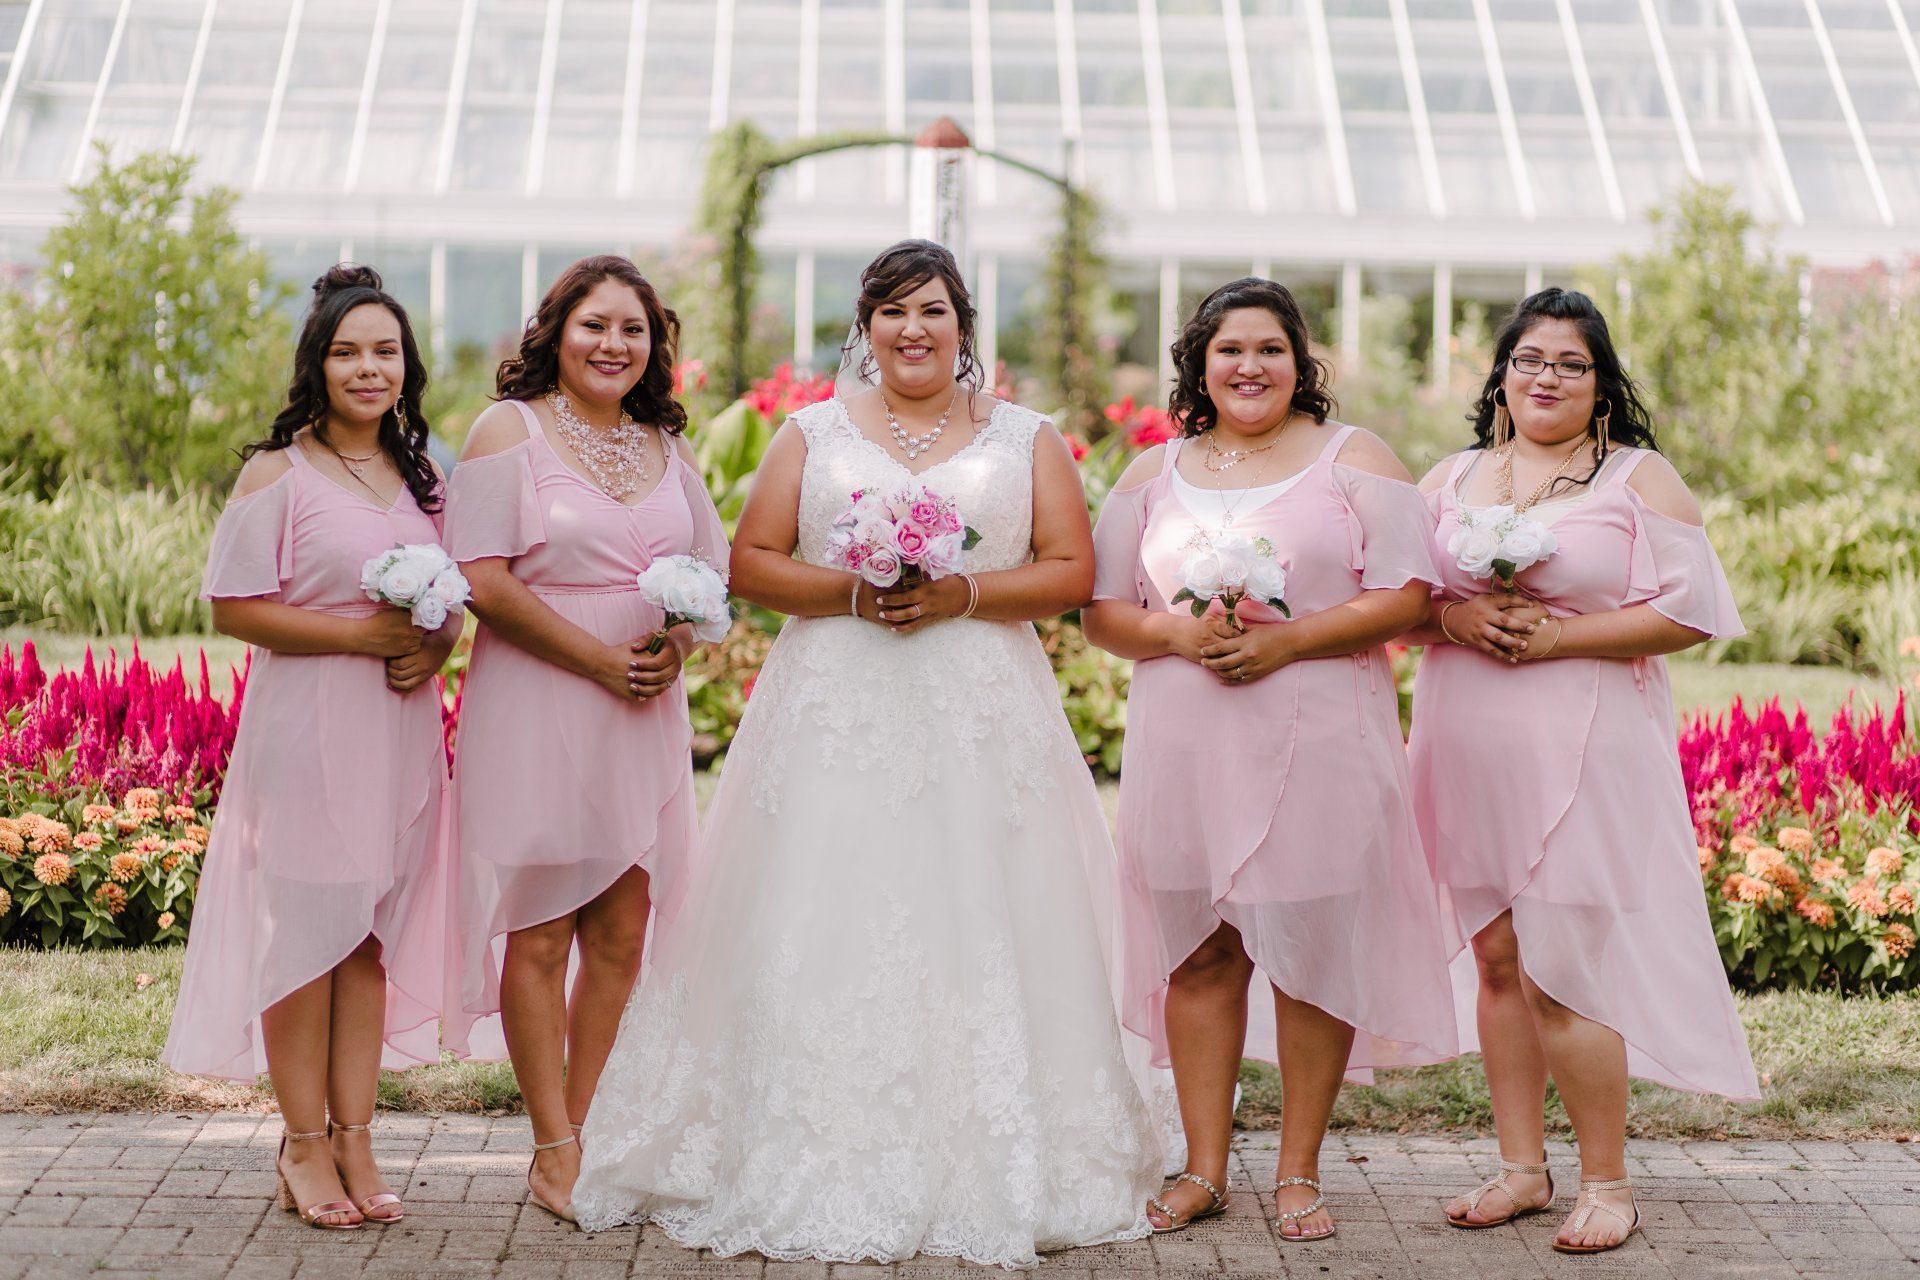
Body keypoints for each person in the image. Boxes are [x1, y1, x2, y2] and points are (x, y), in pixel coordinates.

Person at [569, 240, 1163, 1267]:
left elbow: (1070, 571)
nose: (913, 329)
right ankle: (804, 1133)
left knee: (982, 900)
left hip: (977, 706)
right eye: (892, 312)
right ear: (867, 327)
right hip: (839, 698)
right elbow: (752, 560)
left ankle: (1000, 1139)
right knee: (829, 902)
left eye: (931, 310)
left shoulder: (1027, 438)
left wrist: (961, 592)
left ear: (963, 325)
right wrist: (854, 588)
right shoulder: (812, 432)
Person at [1083, 278, 1457, 1242]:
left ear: (1301, 363)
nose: (1250, 367)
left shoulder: (1354, 458)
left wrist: (1289, 642)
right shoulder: (1150, 475)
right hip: (1185, 743)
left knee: (1307, 950)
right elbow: (1102, 613)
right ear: (1199, 367)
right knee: (1200, 954)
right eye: (1229, 351)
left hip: (1318, 736)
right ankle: (1204, 1167)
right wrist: (1173, 635)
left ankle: (1297, 1171)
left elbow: (1412, 592)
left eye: (1270, 350)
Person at [1406, 287, 1758, 1255]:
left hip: (1586, 739)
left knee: (1570, 967)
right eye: (1529, 359)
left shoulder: (1641, 479)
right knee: (1498, 957)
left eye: (1569, 363)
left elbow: (1692, 611)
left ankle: (1608, 1180)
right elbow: (1395, 601)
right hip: (1464, 737)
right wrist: (1453, 616)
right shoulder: (1450, 477)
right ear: (1502, 375)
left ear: (1600, 385)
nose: (1546, 377)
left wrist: (1562, 637)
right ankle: (1523, 1164)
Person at [162, 265, 458, 1230]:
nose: (368, 368)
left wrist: (434, 644)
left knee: (365, 934)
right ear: (318, 365)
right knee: (307, 936)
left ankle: (357, 1134)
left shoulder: (425, 475)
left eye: (384, 351)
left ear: (406, 365)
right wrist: (359, 637)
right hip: (307, 726)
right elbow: (233, 606)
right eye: (347, 352)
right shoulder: (277, 473)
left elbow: (454, 595)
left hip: (399, 728)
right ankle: (300, 1146)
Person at [441, 256, 727, 1222]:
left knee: (621, 928)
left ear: (654, 345)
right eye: (595, 326)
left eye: (633, 330)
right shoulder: (506, 432)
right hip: (540, 700)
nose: (614, 345)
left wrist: (676, 642)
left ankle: (588, 1121)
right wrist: (596, 660)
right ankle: (552, 1146)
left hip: (642, 707)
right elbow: (479, 575)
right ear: (556, 332)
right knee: (542, 923)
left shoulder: (663, 445)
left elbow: (707, 573)